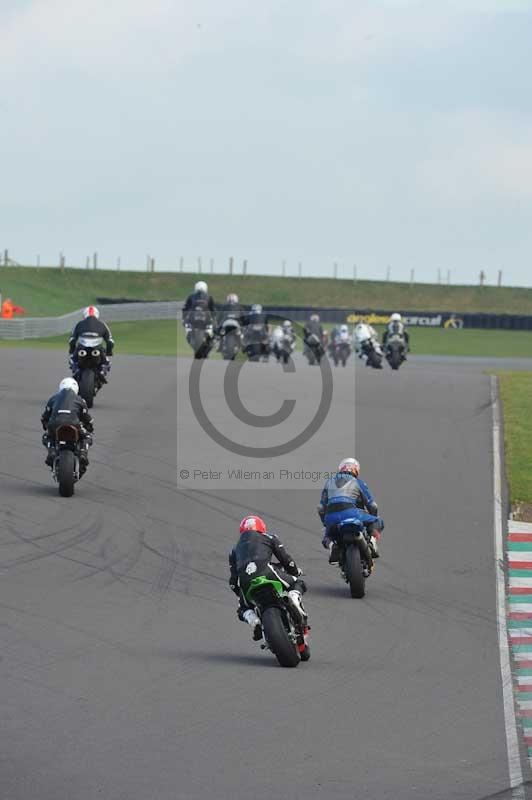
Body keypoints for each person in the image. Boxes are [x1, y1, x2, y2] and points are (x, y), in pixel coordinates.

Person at [229, 515, 308, 641]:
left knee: (242, 609)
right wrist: (294, 572)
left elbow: (233, 582)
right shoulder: (269, 537)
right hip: (267, 571)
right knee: (298, 583)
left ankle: (253, 620)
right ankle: (293, 598)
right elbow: (286, 560)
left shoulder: (234, 550)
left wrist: (241, 595)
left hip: (246, 581)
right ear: (262, 528)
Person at [318, 458, 384, 566]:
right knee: (379, 522)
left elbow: (321, 508)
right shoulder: (358, 482)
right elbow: (372, 505)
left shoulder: (329, 482)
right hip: (351, 513)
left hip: (331, 516)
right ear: (356, 470)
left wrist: (326, 523)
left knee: (327, 536)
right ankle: (372, 542)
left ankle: (332, 546)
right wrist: (373, 520)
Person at [41, 377, 94, 473]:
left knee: (46, 436)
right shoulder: (80, 400)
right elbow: (87, 418)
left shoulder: (53, 398)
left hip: (55, 424)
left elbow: (44, 417)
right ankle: (83, 452)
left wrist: (46, 426)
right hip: (74, 423)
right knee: (87, 436)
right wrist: (90, 427)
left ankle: (52, 451)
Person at [69, 306, 114, 381]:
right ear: (97, 314)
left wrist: (72, 349)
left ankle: (76, 370)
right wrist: (109, 352)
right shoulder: (103, 324)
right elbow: (110, 341)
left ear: (84, 315)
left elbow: (72, 340)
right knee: (106, 362)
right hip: (97, 348)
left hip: (82, 347)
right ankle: (102, 372)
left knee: (72, 359)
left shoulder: (79, 324)